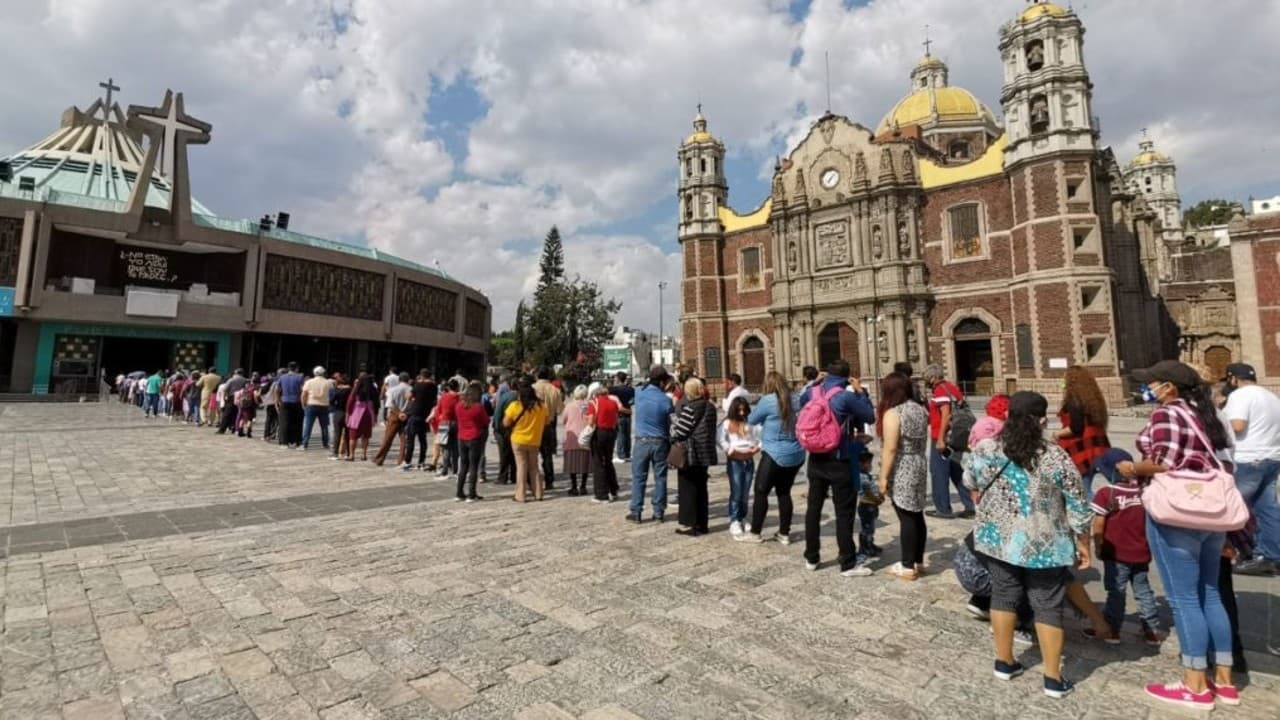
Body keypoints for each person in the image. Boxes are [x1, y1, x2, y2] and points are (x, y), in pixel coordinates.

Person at [1119, 360, 1240, 710]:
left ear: (1168, 387)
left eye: (1152, 383)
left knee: (1184, 598)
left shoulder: (1166, 414)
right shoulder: (1207, 414)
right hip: (1211, 511)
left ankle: (1195, 684)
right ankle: (1226, 680)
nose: (1148, 388)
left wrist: (1131, 467)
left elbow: (1164, 462)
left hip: (1178, 511)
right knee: (1211, 593)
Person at [964, 391, 1091, 699]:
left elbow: (971, 481)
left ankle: (1004, 661)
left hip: (999, 539)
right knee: (1047, 605)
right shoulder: (1053, 454)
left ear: (1006, 417)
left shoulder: (988, 448)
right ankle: (1052, 677)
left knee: (1004, 595)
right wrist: (1083, 540)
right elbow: (1077, 500)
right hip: (1044, 542)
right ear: (1043, 420)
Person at [798, 359, 875, 575]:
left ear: (827, 374)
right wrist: (861, 392)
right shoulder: (846, 396)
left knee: (813, 508)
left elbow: (800, 402)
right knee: (844, 512)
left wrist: (815, 383)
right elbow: (870, 416)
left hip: (815, 458)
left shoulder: (812, 393)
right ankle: (847, 562)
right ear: (847, 377)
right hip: (839, 460)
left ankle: (811, 557)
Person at [1089, 448, 1162, 646]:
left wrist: (1097, 545)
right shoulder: (1143, 492)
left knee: (1116, 591)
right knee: (1143, 590)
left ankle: (1112, 628)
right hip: (1140, 551)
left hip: (1116, 553)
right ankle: (1152, 629)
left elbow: (1099, 523)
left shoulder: (1106, 494)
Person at [1221, 362, 1280, 576]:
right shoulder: (1270, 396)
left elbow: (1237, 426)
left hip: (1249, 458)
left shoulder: (1241, 395)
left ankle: (1231, 549)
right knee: (1267, 507)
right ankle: (1272, 555)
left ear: (1233, 378)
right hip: (1271, 456)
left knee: (1229, 503)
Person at [877, 372, 931, 580]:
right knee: (917, 512)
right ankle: (918, 560)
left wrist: (883, 477)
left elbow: (890, 449)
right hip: (918, 461)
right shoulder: (919, 409)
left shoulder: (894, 413)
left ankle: (907, 565)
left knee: (906, 514)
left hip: (903, 464)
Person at [741, 371, 804, 544]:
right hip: (796, 453)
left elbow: (752, 420)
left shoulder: (768, 400)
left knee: (761, 492)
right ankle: (784, 533)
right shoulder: (796, 398)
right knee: (784, 492)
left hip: (774, 452)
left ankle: (755, 533)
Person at [923, 364, 974, 520]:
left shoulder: (940, 391)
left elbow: (946, 415)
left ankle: (943, 508)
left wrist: (940, 439)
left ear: (933, 377)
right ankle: (970, 505)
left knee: (938, 472)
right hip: (957, 436)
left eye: (927, 377)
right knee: (955, 470)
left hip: (943, 437)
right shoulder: (952, 388)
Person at [628, 365, 675, 523]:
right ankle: (659, 511)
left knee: (638, 477)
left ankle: (636, 511)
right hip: (660, 441)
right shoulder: (665, 399)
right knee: (660, 477)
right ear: (662, 382)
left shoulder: (639, 392)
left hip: (642, 440)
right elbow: (671, 416)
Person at [673, 377, 718, 537]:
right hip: (705, 452)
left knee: (688, 488)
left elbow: (680, 432)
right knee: (701, 487)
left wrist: (673, 429)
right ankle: (702, 523)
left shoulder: (690, 408)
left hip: (691, 453)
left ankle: (690, 523)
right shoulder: (710, 407)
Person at [1055, 365, 1111, 493]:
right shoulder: (1092, 400)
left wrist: (1057, 434)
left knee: (1084, 489)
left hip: (1080, 447)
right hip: (1096, 445)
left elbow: (1076, 427)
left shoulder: (1074, 400)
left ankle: (1094, 511)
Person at [718, 396, 760, 536]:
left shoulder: (750, 423)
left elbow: (759, 436)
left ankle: (743, 516)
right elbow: (720, 439)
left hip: (748, 458)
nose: (742, 413)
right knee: (736, 490)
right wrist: (729, 449)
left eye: (744, 410)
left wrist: (757, 447)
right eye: (739, 410)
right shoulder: (727, 423)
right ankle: (734, 518)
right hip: (735, 459)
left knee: (746, 491)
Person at [504, 378, 549, 502]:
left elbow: (506, 422)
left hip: (518, 440)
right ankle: (539, 493)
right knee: (534, 467)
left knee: (521, 467)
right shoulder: (541, 407)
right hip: (534, 440)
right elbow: (547, 422)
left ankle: (520, 495)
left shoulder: (515, 406)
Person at [454, 382, 490, 502]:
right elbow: (485, 421)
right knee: (474, 466)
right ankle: (471, 493)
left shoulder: (459, 406)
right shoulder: (478, 407)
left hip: (461, 437)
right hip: (475, 437)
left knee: (463, 465)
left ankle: (459, 492)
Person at [587, 383, 620, 502]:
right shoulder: (613, 403)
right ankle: (613, 489)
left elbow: (591, 421)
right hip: (611, 432)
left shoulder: (594, 403)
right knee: (608, 461)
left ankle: (601, 494)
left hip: (599, 432)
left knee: (598, 462)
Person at [533, 367, 565, 490]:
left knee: (533, 455)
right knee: (547, 455)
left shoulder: (533, 388)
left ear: (537, 376)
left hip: (535, 424)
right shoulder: (555, 390)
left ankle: (534, 479)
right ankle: (549, 480)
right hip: (549, 425)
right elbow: (560, 410)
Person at [561, 385, 593, 496]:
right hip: (585, 437)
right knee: (585, 463)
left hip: (572, 437)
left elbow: (564, 419)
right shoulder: (589, 405)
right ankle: (583, 486)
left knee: (572, 463)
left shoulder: (569, 406)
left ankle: (574, 486)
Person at [374, 372, 411, 466]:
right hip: (406, 416)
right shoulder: (411, 389)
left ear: (399, 380)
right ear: (408, 379)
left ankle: (379, 458)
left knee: (388, 438)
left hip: (394, 415)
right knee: (404, 440)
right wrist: (404, 413)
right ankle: (401, 460)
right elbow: (412, 404)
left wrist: (398, 413)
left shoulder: (393, 390)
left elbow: (389, 404)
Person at [403, 370, 437, 471]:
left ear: (421, 376)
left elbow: (408, 397)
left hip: (415, 414)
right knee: (423, 440)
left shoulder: (418, 385)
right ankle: (421, 461)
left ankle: (408, 461)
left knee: (411, 439)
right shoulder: (433, 387)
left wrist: (415, 400)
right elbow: (434, 401)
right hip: (425, 415)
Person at [855, 450, 883, 563]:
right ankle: (864, 549)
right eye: (868, 463)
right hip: (867, 506)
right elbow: (868, 494)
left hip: (870, 506)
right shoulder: (862, 478)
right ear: (861, 464)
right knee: (867, 529)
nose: (870, 466)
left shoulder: (866, 475)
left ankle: (870, 545)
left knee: (870, 528)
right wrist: (877, 500)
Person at [344, 373, 378, 461]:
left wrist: (347, 414)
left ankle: (352, 455)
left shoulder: (357, 389)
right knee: (366, 436)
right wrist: (375, 416)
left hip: (357, 413)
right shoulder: (373, 389)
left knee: (353, 436)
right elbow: (377, 404)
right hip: (368, 414)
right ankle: (364, 454)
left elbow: (350, 402)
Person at [300, 367, 334, 450]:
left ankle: (304, 444)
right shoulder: (328, 383)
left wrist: (303, 404)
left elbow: (304, 394)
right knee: (324, 426)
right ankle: (325, 444)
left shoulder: (309, 382)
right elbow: (332, 394)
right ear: (323, 373)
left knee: (308, 425)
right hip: (324, 405)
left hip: (311, 404)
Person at [492, 377, 518, 483]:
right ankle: (514, 476)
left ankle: (502, 477)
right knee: (514, 454)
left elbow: (498, 413)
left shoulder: (505, 397)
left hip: (503, 428)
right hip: (516, 428)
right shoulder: (520, 397)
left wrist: (496, 427)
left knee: (503, 453)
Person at [435, 380, 461, 477]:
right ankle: (455, 469)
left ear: (449, 387)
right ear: (457, 387)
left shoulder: (443, 397)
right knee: (455, 447)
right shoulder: (459, 398)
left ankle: (445, 469)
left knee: (445, 447)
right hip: (456, 423)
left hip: (444, 422)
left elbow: (439, 410)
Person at [276, 362, 305, 448]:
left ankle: (284, 442)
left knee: (284, 422)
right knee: (297, 422)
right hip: (297, 402)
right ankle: (296, 441)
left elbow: (277, 390)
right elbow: (302, 390)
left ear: (288, 368)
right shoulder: (300, 377)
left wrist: (278, 400)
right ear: (296, 368)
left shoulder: (282, 377)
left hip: (285, 401)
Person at [611, 372, 634, 463]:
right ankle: (627, 453)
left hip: (618, 414)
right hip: (628, 413)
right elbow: (633, 400)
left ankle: (621, 455)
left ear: (617, 379)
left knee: (620, 435)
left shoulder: (614, 390)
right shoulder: (630, 389)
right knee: (627, 435)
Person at [217, 369, 248, 435]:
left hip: (231, 397)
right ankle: (235, 428)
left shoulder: (231, 380)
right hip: (241, 398)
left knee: (227, 414)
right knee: (237, 414)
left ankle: (222, 429)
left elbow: (225, 389)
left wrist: (225, 397)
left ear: (235, 373)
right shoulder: (245, 380)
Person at [329, 372, 351, 460]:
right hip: (349, 413)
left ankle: (335, 454)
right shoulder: (351, 390)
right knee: (348, 434)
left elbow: (331, 401)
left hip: (338, 412)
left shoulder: (337, 390)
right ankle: (348, 453)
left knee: (337, 433)